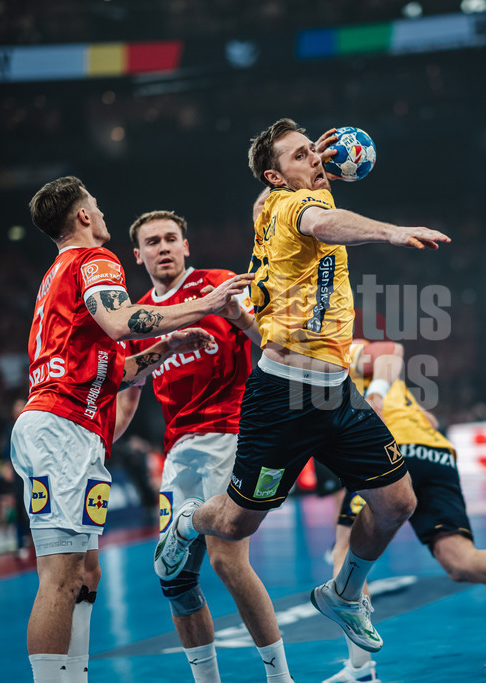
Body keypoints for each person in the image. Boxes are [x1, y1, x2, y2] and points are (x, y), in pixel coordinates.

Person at [153, 119, 450, 656]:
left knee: (397, 502)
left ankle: (344, 594)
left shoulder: (274, 199)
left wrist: (315, 153)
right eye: (300, 156)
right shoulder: (294, 208)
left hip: (335, 390)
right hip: (282, 394)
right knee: (236, 522)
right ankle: (187, 522)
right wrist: (391, 231)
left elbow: (301, 191)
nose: (315, 160)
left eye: (314, 151)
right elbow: (327, 222)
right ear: (276, 175)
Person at [12, 175, 253, 683]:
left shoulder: (58, 273)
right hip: (63, 426)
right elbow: (122, 321)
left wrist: (161, 351)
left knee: (84, 571)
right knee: (58, 578)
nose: (102, 216)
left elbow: (114, 367)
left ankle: (70, 675)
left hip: (64, 424)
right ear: (82, 217)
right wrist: (206, 305)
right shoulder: (94, 260)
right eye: (96, 207)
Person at [322, 340, 486, 683]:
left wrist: (376, 398)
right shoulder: (335, 365)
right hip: (436, 452)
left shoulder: (335, 346)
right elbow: (424, 414)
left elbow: (389, 350)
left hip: (390, 447)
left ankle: (360, 671)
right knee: (460, 560)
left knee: (346, 549)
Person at [114, 209, 290, 682]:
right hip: (178, 452)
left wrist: (237, 315)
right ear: (139, 255)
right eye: (153, 242)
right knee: (174, 580)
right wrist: (103, 444)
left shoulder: (219, 284)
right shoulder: (142, 315)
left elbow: (270, 343)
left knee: (227, 561)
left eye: (172, 238)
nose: (164, 247)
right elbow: (130, 395)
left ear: (186, 245)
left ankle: (279, 678)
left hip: (230, 434)